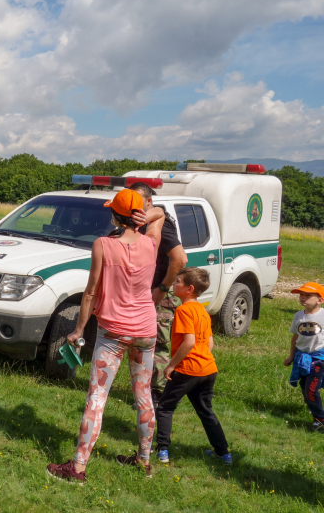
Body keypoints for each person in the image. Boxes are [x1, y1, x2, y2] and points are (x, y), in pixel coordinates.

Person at [47, 188, 163, 483]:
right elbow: (160, 213)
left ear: (115, 215)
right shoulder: (151, 243)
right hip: (146, 332)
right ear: (137, 215)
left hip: (112, 332)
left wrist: (77, 330)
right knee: (144, 396)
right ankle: (144, 460)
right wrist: (142, 217)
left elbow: (90, 292)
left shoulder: (102, 244)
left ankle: (78, 467)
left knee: (97, 399)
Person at [155, 268, 231, 465]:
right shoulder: (203, 311)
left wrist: (171, 365)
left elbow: (188, 342)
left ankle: (162, 450)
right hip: (208, 369)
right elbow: (210, 342)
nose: (174, 283)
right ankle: (224, 453)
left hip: (188, 369)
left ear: (189, 289)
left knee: (165, 407)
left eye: (178, 281)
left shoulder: (183, 310)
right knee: (206, 411)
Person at [129, 182, 188, 406]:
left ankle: (159, 395)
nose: (134, 205)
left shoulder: (161, 223)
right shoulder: (137, 220)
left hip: (159, 292)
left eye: (138, 200)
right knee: (141, 342)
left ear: (148, 201)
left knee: (158, 343)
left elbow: (181, 259)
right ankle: (145, 392)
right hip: (142, 291)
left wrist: (162, 289)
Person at [283, 281, 324, 432]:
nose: (303, 298)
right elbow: (295, 338)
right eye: (301, 295)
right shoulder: (299, 316)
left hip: (319, 358)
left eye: (308, 295)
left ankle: (320, 419)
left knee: (311, 390)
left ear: (319, 300)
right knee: (305, 389)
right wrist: (291, 356)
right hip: (302, 358)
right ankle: (316, 415)